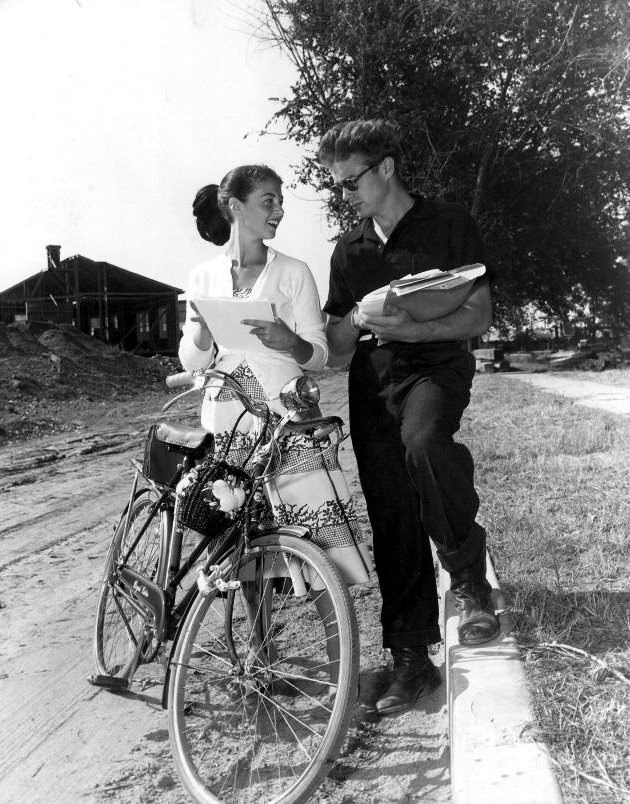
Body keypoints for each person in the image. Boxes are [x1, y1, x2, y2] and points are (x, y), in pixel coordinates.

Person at [317, 119, 500, 717]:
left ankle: (470, 580)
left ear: (386, 168)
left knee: (424, 446)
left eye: (350, 182)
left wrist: (413, 326)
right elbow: (338, 344)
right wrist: (358, 321)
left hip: (436, 369)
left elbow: (477, 316)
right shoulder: (348, 251)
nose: (344, 194)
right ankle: (410, 659)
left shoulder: (448, 223)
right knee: (391, 509)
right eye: (338, 185)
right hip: (372, 381)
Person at [178, 164, 372, 587]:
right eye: (269, 201)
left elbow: (319, 355)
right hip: (228, 427)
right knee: (240, 554)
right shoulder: (202, 277)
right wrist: (203, 331)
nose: (279, 210)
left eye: (280, 201)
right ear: (235, 206)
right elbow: (192, 362)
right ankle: (254, 649)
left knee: (322, 549)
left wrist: (288, 341)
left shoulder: (294, 272)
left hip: (288, 419)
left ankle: (341, 647)